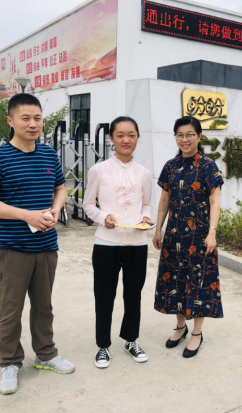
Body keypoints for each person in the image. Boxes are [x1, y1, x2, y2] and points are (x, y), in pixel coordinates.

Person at [0, 94, 75, 396]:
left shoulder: (48, 154)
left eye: (37, 118)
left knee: (44, 306)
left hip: (46, 245)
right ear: (10, 121)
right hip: (12, 247)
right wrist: (26, 215)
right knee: (11, 310)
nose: (33, 124)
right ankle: (9, 362)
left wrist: (56, 209)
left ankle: (46, 354)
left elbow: (61, 188)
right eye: (25, 118)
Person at [83, 116, 154, 369]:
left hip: (137, 243)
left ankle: (131, 340)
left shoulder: (144, 173)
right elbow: (88, 204)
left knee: (133, 295)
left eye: (131, 135)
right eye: (120, 135)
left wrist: (146, 217)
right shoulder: (99, 170)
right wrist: (104, 217)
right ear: (111, 138)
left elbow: (146, 203)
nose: (126, 140)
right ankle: (103, 345)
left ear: (137, 138)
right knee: (104, 296)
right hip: (106, 243)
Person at [153, 116, 224, 359]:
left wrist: (212, 233)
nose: (185, 139)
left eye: (190, 134)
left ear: (199, 137)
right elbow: (164, 200)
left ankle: (196, 333)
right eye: (180, 135)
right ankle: (180, 327)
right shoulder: (170, 166)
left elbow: (215, 202)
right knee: (175, 281)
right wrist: (158, 229)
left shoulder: (208, 167)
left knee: (199, 283)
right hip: (174, 236)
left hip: (200, 237)